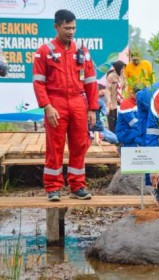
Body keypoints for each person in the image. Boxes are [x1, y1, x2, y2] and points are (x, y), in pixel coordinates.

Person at [33, 9, 98, 201]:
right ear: (56, 27)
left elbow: (91, 81)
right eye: (67, 28)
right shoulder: (44, 51)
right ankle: (53, 187)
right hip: (55, 103)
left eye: (73, 28)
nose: (71, 32)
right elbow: (38, 83)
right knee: (55, 146)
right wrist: (47, 106)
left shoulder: (82, 52)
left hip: (78, 102)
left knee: (80, 144)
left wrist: (92, 108)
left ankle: (77, 186)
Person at [114, 84, 144, 148]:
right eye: (139, 94)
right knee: (144, 134)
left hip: (135, 130)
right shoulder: (126, 103)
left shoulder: (142, 103)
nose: (142, 96)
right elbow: (133, 123)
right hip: (125, 132)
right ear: (133, 94)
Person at [105, 60, 127, 132]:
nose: (123, 70)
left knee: (119, 121)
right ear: (118, 68)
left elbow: (125, 87)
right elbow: (107, 90)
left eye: (124, 68)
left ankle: (119, 137)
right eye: (122, 68)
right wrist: (109, 102)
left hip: (120, 102)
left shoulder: (123, 76)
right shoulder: (111, 76)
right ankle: (113, 137)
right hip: (112, 102)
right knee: (112, 121)